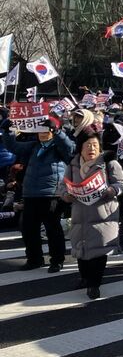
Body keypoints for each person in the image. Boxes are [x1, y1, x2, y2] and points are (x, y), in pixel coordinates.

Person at [57, 130, 123, 299]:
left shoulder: (109, 162)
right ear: (80, 148)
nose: (91, 149)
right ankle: (85, 278)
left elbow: (121, 184)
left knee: (98, 251)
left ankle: (94, 284)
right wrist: (67, 195)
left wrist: (110, 191)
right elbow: (62, 186)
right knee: (81, 249)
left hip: (103, 214)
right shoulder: (73, 164)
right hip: (80, 214)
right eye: (87, 145)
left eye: (95, 145)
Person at [1, 115, 74, 271]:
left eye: (46, 129)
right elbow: (14, 146)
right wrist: (7, 131)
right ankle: (34, 259)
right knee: (28, 228)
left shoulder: (58, 146)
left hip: (51, 194)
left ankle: (57, 260)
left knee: (52, 229)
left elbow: (70, 149)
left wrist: (58, 131)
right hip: (30, 193)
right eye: (39, 129)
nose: (42, 132)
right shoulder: (34, 145)